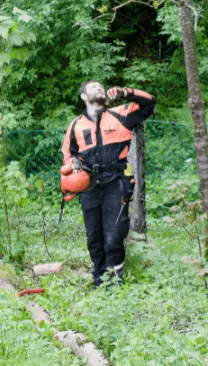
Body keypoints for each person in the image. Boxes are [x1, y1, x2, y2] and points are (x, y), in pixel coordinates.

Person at [61, 81, 156, 287]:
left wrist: (126, 92)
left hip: (117, 182)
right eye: (93, 87)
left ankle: (115, 282)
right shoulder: (76, 125)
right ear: (83, 96)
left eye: (100, 87)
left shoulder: (120, 114)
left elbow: (149, 103)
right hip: (89, 186)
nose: (99, 88)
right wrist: (73, 166)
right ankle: (99, 280)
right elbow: (69, 154)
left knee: (114, 235)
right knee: (94, 237)